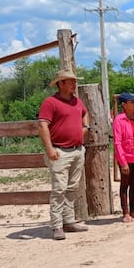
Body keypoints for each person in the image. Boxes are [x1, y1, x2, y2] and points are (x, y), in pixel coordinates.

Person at [37, 68, 90, 240]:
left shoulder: (76, 101)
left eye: (74, 81)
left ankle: (68, 221)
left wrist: (85, 128)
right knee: (59, 189)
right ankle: (57, 225)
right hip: (60, 151)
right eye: (71, 81)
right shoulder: (50, 102)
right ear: (61, 84)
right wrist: (50, 149)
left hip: (76, 149)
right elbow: (43, 125)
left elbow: (85, 113)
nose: (75, 84)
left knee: (72, 187)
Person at [112, 92, 134, 222]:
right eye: (132, 102)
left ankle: (133, 210)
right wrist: (123, 162)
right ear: (124, 104)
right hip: (126, 157)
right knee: (125, 184)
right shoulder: (119, 120)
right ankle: (125, 212)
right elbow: (117, 142)